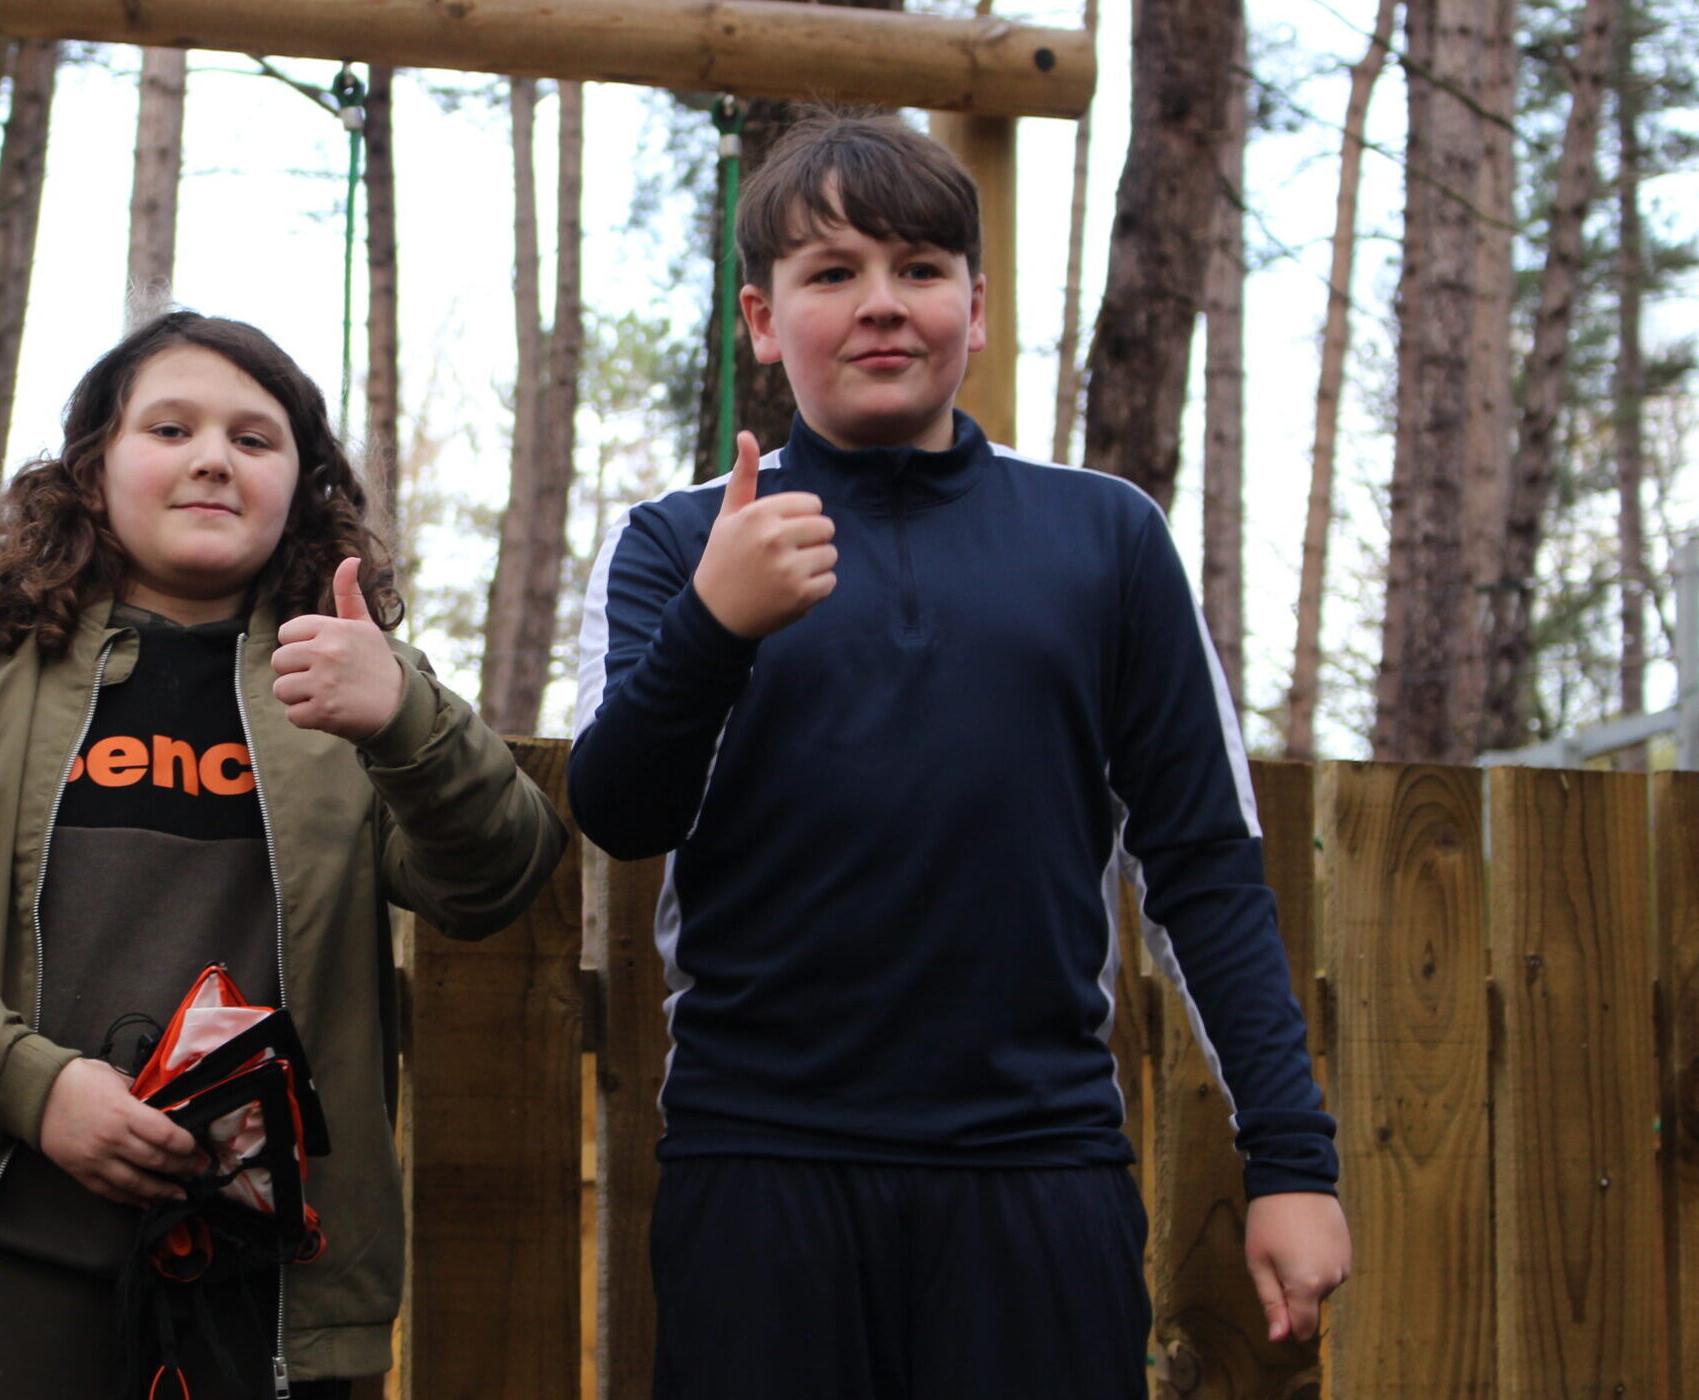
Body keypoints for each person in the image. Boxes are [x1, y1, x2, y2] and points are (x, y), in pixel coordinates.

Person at [569, 116, 1350, 1399]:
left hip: (1037, 1170)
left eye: (920, 268)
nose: (882, 305)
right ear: (764, 320)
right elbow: (621, 809)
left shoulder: (1103, 537)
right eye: (833, 275)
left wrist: (1294, 1161)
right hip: (760, 1169)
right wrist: (716, 622)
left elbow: (1203, 869)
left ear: (975, 310)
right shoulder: (676, 540)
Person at [0, 311, 566, 1399]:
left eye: (254, 437)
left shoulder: (356, 681)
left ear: (300, 483)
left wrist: (404, 718)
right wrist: (37, 1088)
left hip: (266, 1286)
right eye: (171, 426)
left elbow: (496, 880)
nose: (211, 457)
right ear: (93, 471)